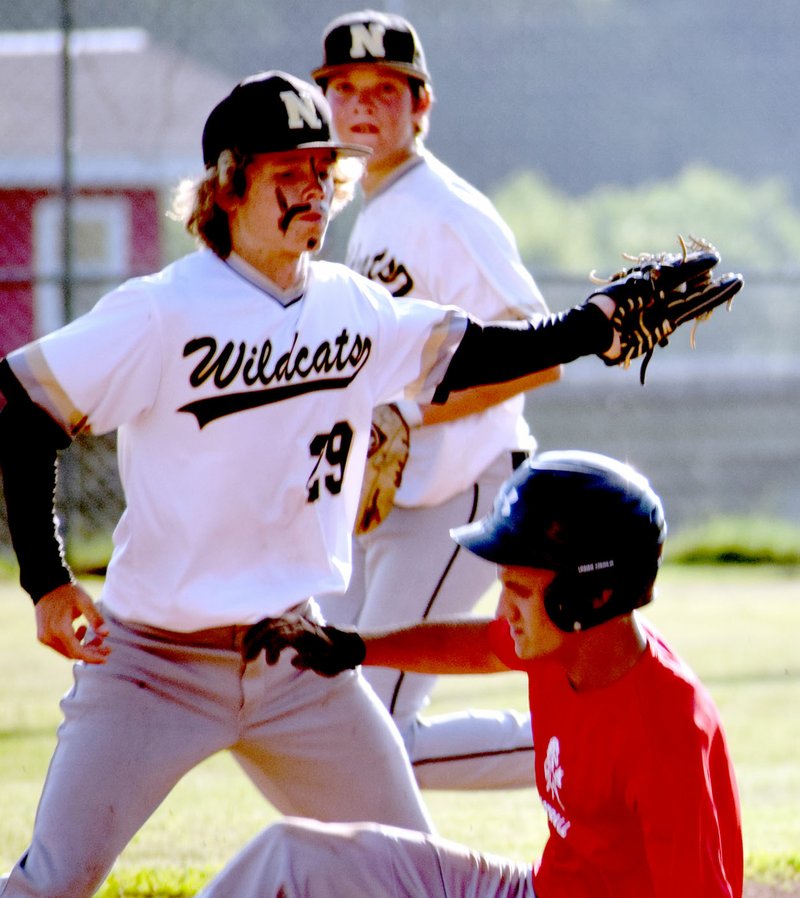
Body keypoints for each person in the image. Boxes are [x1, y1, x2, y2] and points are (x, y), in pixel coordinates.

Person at [0, 67, 635, 898]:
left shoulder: (353, 305)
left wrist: (596, 327)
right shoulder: (162, 310)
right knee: (50, 884)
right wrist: (48, 581)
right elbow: (23, 404)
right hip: (152, 662)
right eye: (285, 171)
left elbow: (477, 351)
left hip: (296, 658)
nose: (313, 189)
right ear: (227, 186)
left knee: (408, 875)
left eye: (320, 169)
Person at [197, 450, 744, 898]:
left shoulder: (665, 729)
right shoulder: (562, 647)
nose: (504, 610)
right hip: (533, 890)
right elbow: (475, 645)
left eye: (520, 592)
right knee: (291, 856)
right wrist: (355, 646)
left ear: (594, 595)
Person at [313, 8, 557, 789]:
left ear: (422, 106)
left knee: (371, 738)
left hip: (462, 486)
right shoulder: (363, 207)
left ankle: (584, 739)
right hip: (391, 503)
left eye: (387, 89)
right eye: (344, 87)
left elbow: (538, 353)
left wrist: (409, 413)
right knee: (321, 705)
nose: (362, 104)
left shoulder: (448, 211)